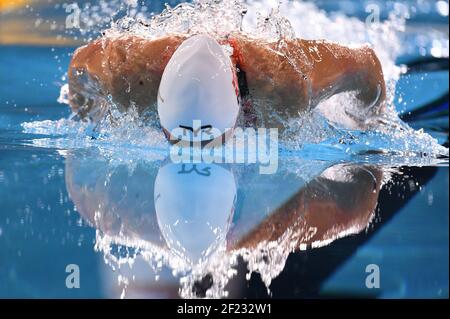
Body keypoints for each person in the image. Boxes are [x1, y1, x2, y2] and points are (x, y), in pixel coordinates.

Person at [68, 32, 386, 140]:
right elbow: (78, 70)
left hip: (265, 65)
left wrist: (369, 123)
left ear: (238, 111)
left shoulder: (288, 86)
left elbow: (367, 66)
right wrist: (87, 118)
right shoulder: (126, 77)